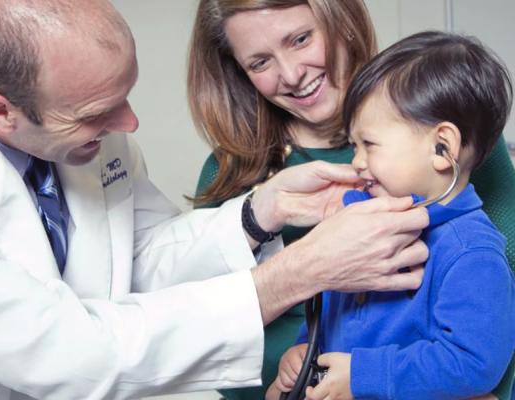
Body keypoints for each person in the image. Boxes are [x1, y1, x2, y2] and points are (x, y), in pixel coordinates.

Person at [0, 0, 430, 399]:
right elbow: (71, 354)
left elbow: (145, 256)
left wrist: (259, 213)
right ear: (0, 112)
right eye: (97, 112)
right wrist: (298, 273)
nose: (128, 125)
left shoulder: (77, 124)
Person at [189, 1, 515, 399]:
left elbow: (479, 355)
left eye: (301, 38)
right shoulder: (234, 172)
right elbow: (203, 325)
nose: (291, 74)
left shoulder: (465, 232)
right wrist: (302, 354)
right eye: (259, 63)